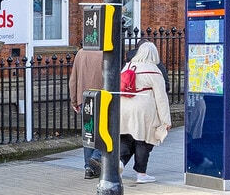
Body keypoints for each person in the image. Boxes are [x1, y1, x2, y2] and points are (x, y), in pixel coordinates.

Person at [118, 39, 174, 183]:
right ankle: (141, 174)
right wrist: (166, 120)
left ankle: (119, 163)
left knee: (125, 137)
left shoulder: (128, 66)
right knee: (144, 140)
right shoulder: (154, 70)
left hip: (124, 106)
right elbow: (161, 98)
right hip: (144, 108)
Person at [70, 38, 105, 180]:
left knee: (88, 134)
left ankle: (88, 169)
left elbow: (73, 79)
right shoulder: (105, 53)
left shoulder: (80, 54)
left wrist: (74, 100)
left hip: (84, 98)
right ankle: (96, 156)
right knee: (104, 131)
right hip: (103, 97)